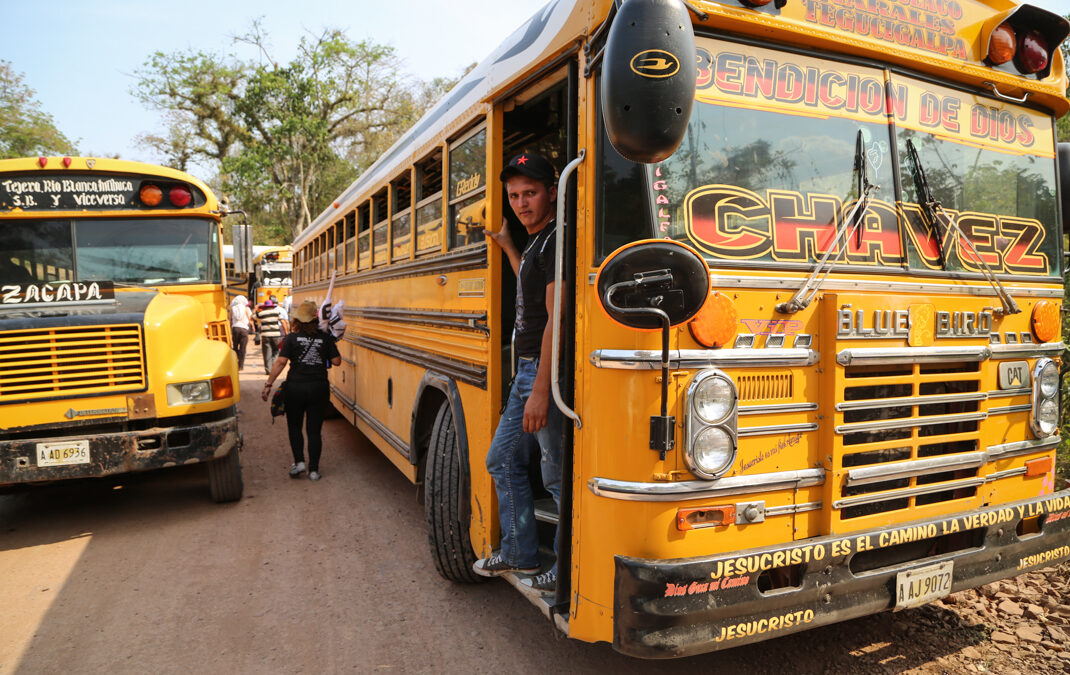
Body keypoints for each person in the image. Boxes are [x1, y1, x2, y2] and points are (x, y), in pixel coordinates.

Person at [473, 151, 563, 595]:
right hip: (526, 371)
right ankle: (520, 551)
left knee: (555, 476)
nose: (522, 202)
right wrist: (508, 246)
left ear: (551, 191)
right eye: (514, 195)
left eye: (530, 192)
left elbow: (554, 318)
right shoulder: (535, 245)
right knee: (503, 459)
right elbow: (529, 288)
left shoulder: (556, 240)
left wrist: (542, 391)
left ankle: (565, 568)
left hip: (542, 374)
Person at [262, 300, 341, 482]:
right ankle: (313, 470)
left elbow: (281, 362)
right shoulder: (325, 338)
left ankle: (299, 463)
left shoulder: (291, 338)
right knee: (314, 431)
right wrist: (330, 342)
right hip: (318, 389)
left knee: (295, 427)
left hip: (295, 388)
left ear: (298, 320)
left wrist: (268, 384)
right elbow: (337, 362)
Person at [256, 297, 285, 373]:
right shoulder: (276, 312)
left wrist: (256, 308)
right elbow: (283, 322)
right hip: (276, 335)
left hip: (266, 335)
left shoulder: (261, 313)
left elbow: (253, 317)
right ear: (272, 306)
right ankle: (274, 368)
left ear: (264, 307)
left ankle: (268, 370)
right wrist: (286, 333)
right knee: (275, 352)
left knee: (266, 353)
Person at [230, 296, 253, 370]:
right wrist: (252, 327)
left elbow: (230, 320)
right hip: (244, 329)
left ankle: (235, 364)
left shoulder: (232, 309)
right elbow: (250, 319)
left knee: (235, 347)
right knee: (243, 348)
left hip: (235, 329)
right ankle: (241, 366)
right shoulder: (246, 309)